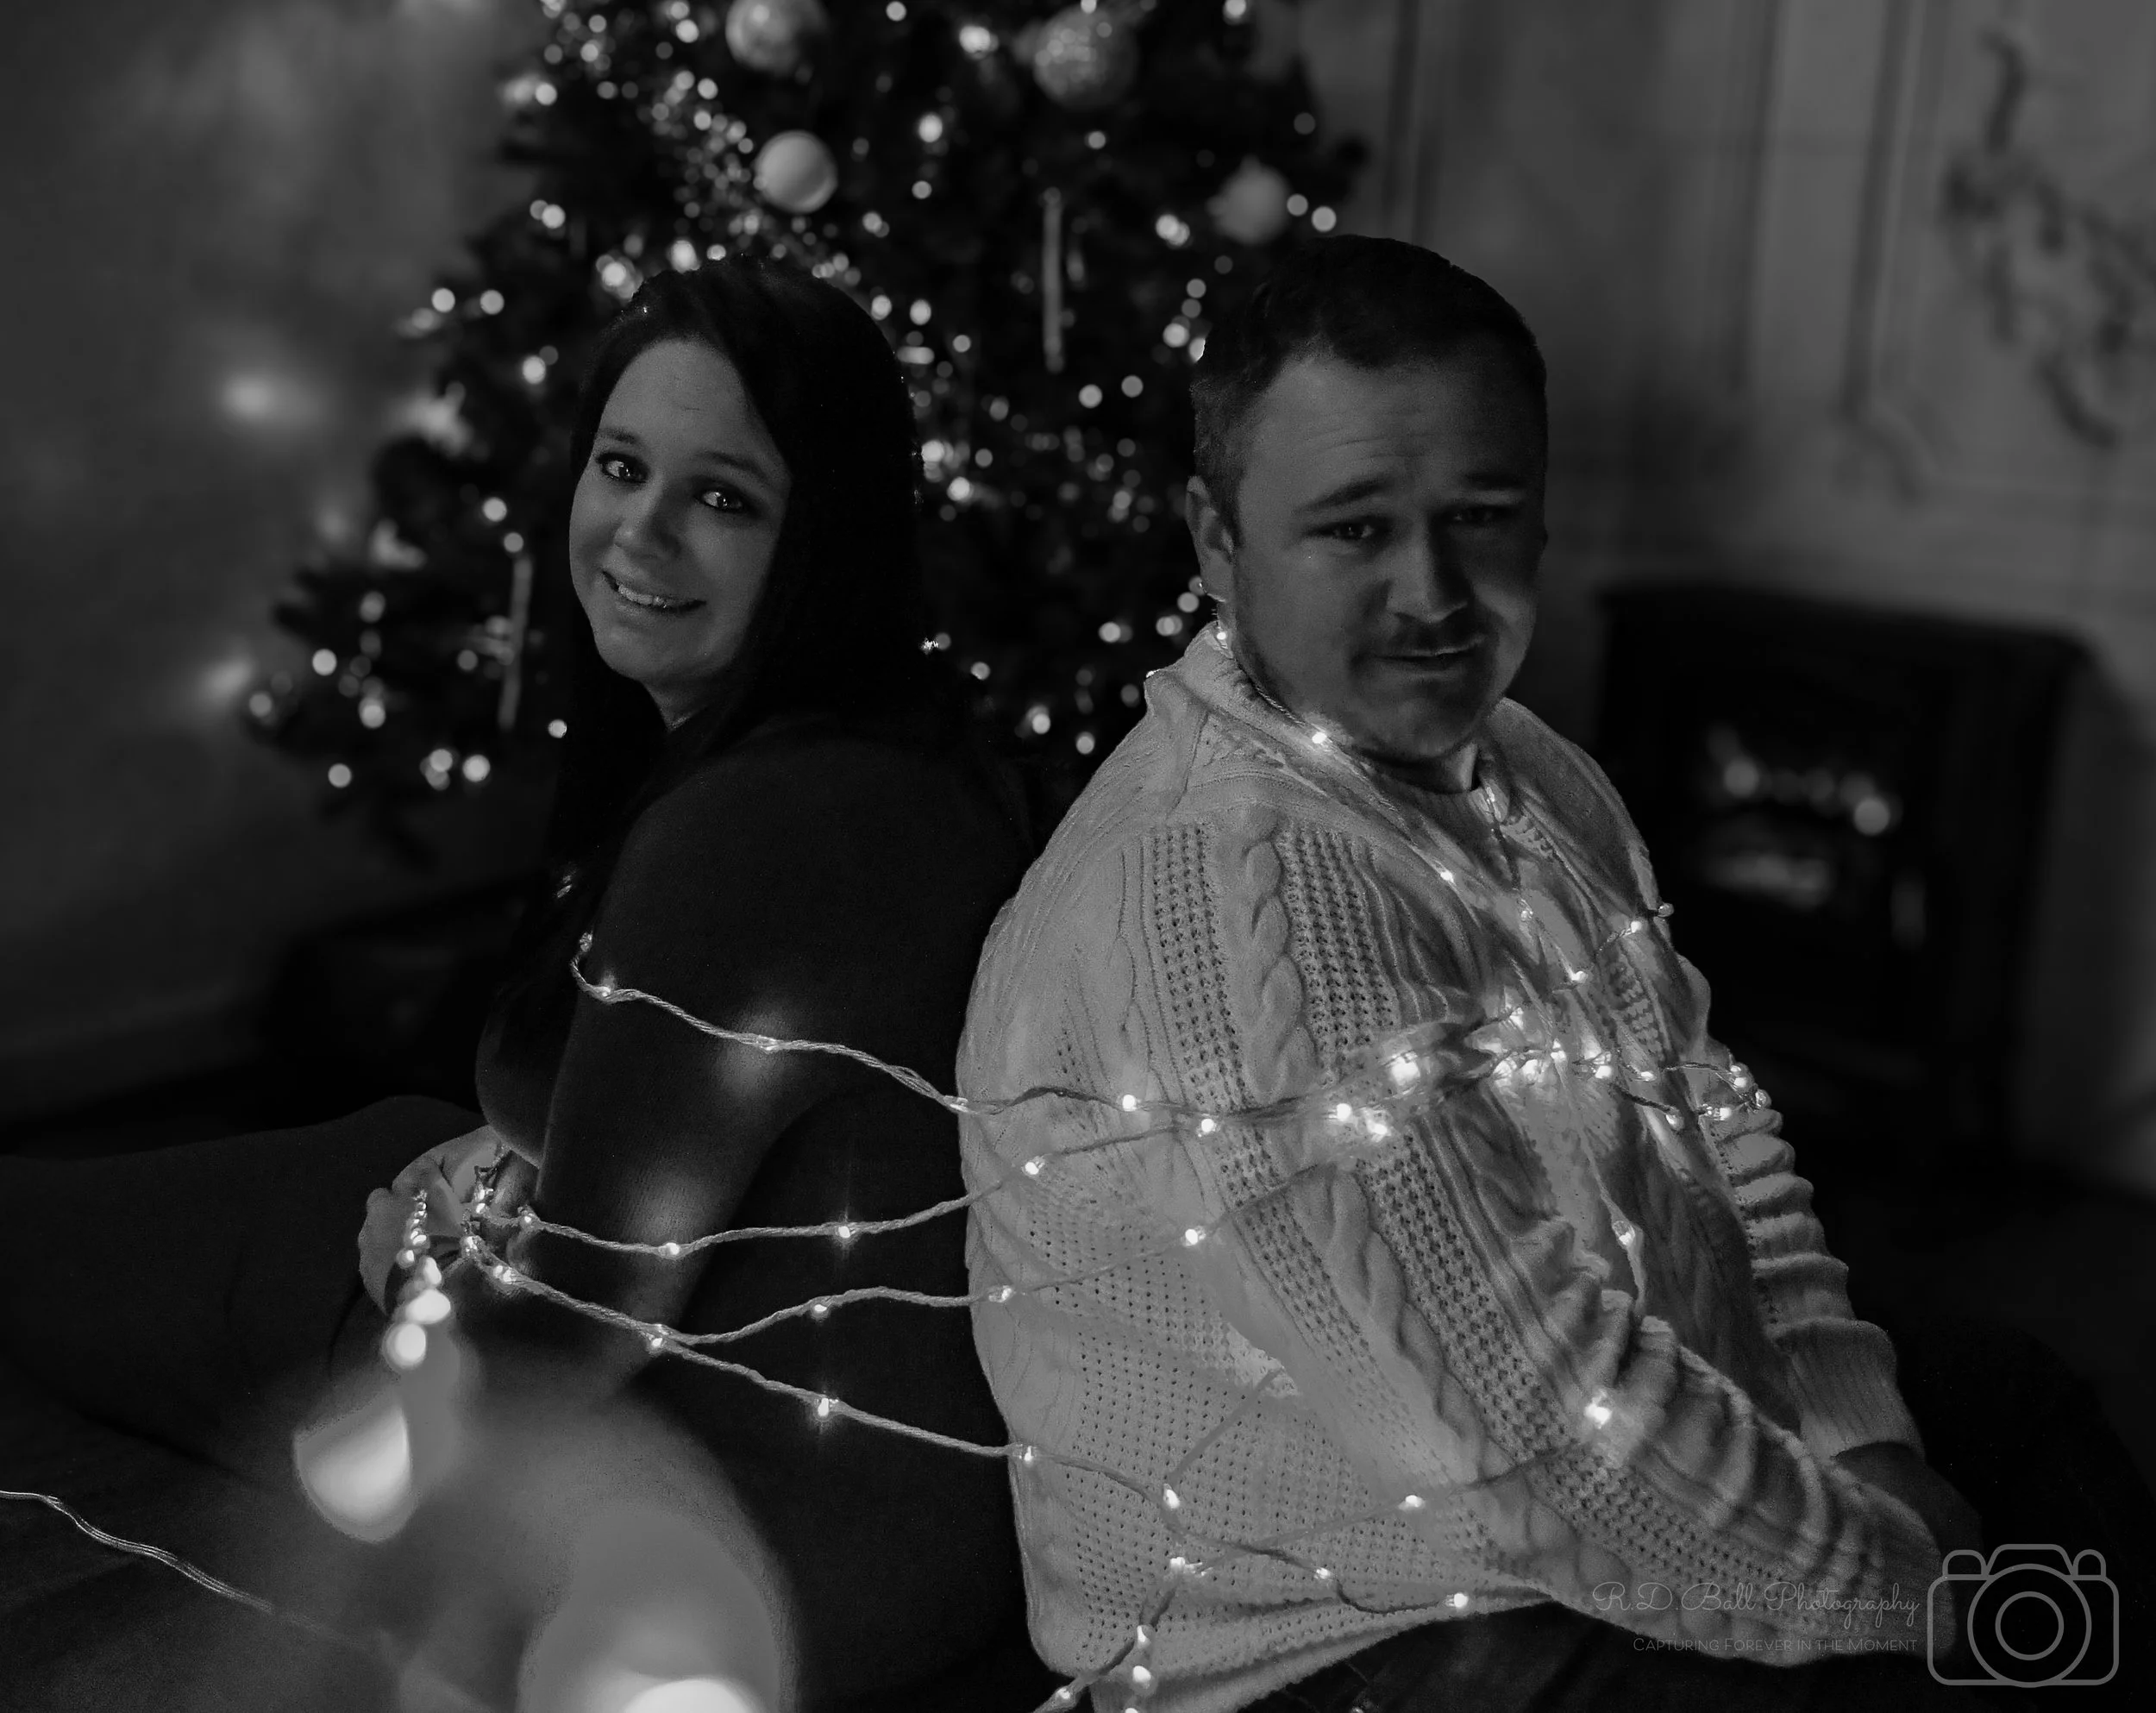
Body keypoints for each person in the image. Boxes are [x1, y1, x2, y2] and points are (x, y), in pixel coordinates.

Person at [955, 234, 2151, 1713]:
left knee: (2014, 1400)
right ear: (1215, 540)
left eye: (1483, 515)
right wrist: (1921, 1597)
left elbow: (1711, 1130)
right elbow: (1537, 1434)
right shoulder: (1229, 883)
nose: (1433, 590)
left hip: (1577, 1458)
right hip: (1332, 1642)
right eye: (1354, 529)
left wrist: (1861, 1439)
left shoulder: (1525, 774)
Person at [0, 259, 1050, 1711]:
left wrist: (416, 1282)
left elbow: (574, 1330)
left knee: (117, 1246)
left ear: (830, 536)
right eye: (624, 466)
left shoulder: (764, 829)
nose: (644, 530)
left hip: (739, 1548)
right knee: (364, 1148)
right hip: (865, 1509)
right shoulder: (892, 752)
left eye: (726, 497)